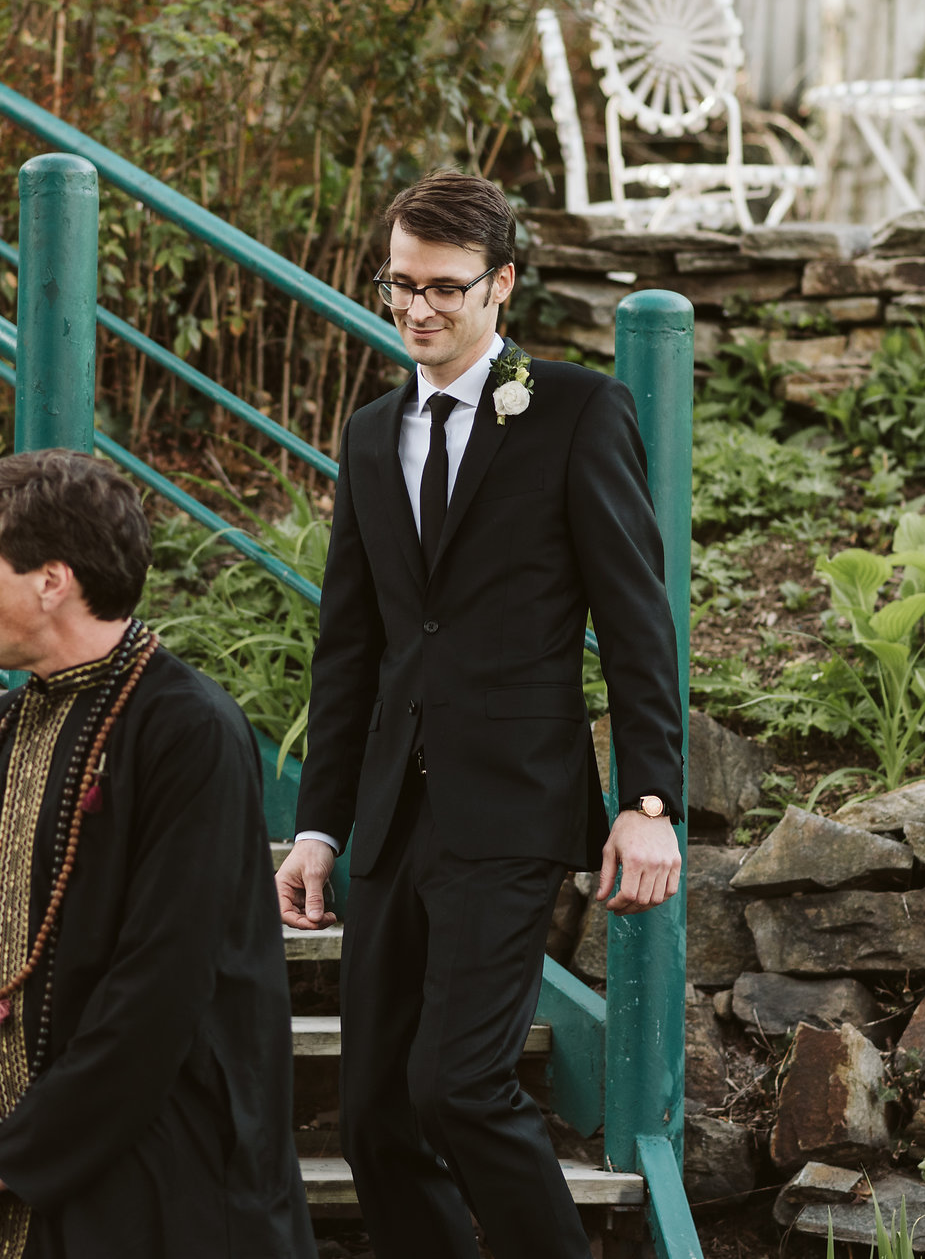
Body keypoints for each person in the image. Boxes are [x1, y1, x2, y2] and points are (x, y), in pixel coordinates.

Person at [275, 170, 686, 1259]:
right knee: (369, 1116)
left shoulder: (575, 411)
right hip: (388, 821)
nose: (416, 309)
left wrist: (647, 799)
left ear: (500, 285)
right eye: (398, 285)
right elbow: (349, 648)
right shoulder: (370, 434)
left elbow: (637, 621)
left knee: (456, 1084)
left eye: (445, 288)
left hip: (508, 809)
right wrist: (319, 825)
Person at [0, 449, 315, 1259]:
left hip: (150, 1180)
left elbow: (163, 983)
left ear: (52, 580)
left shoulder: (188, 731)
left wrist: (9, 1158)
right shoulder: (4, 727)